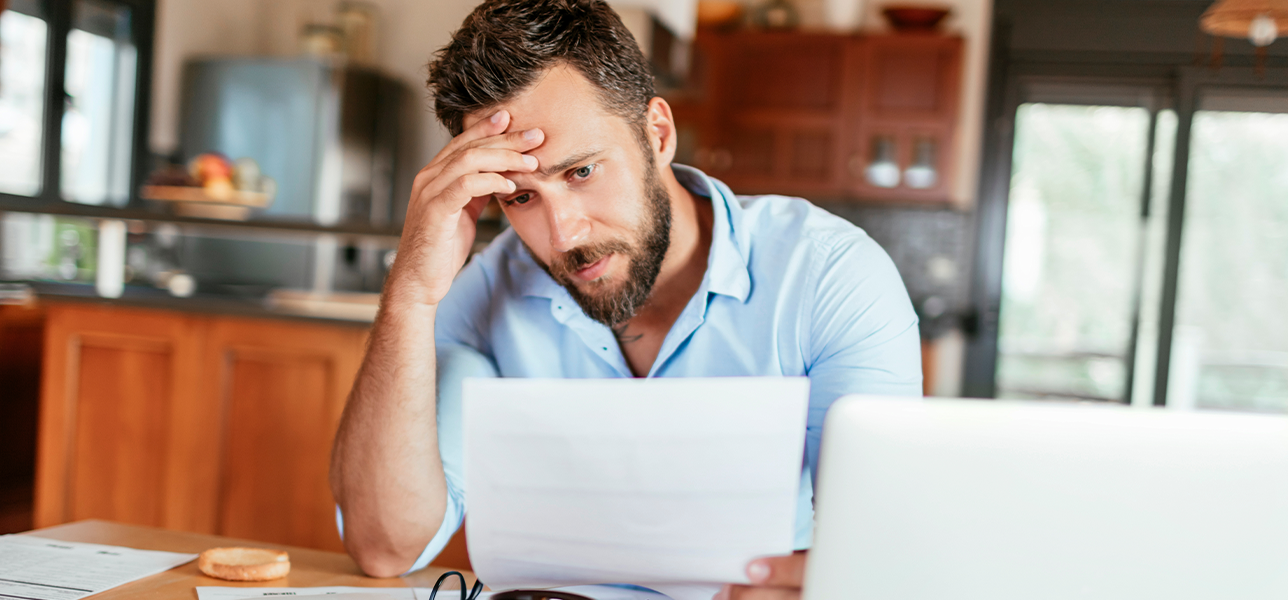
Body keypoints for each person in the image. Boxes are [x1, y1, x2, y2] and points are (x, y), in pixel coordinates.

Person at [329, 1, 922, 598]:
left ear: (657, 134)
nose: (564, 235)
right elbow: (386, 545)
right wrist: (410, 293)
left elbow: (882, 556)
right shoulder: (490, 287)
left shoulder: (828, 278)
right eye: (520, 198)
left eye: (581, 172)